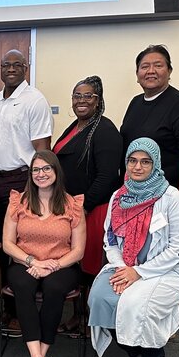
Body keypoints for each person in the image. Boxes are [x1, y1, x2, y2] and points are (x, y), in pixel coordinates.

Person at [88, 138, 179, 357]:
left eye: (145, 161)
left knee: (135, 303)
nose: (137, 167)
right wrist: (123, 267)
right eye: (133, 161)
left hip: (165, 272)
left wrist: (139, 272)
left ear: (155, 164)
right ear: (126, 163)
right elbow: (110, 241)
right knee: (100, 298)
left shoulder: (171, 197)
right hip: (125, 267)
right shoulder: (118, 197)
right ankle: (133, 354)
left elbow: (178, 248)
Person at [0, 49, 54, 332]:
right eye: (6, 65)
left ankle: (23, 312)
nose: (11, 69)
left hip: (23, 181)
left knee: (22, 246)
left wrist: (37, 188)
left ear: (26, 68)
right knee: (1, 247)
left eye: (17, 64)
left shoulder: (34, 100)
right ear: (0, 69)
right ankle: (7, 309)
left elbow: (43, 150)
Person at [2, 150, 86, 357]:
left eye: (46, 168)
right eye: (36, 170)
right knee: (23, 286)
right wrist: (32, 262)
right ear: (30, 174)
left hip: (61, 265)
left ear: (56, 171)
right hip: (24, 263)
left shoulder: (72, 205)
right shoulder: (19, 201)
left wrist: (54, 266)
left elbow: (78, 250)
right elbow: (8, 243)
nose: (41, 174)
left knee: (54, 288)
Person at [52, 76, 122, 333]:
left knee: (90, 267)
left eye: (88, 96)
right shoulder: (75, 126)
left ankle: (93, 322)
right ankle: (78, 317)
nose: (81, 101)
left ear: (99, 100)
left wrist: (84, 207)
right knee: (76, 267)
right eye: (77, 96)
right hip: (70, 209)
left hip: (93, 210)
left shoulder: (105, 130)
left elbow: (107, 177)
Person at [120, 45, 179, 205]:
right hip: (133, 194)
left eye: (158, 65)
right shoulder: (135, 103)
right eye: (145, 66)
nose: (151, 71)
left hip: (165, 195)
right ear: (137, 75)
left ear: (169, 71)